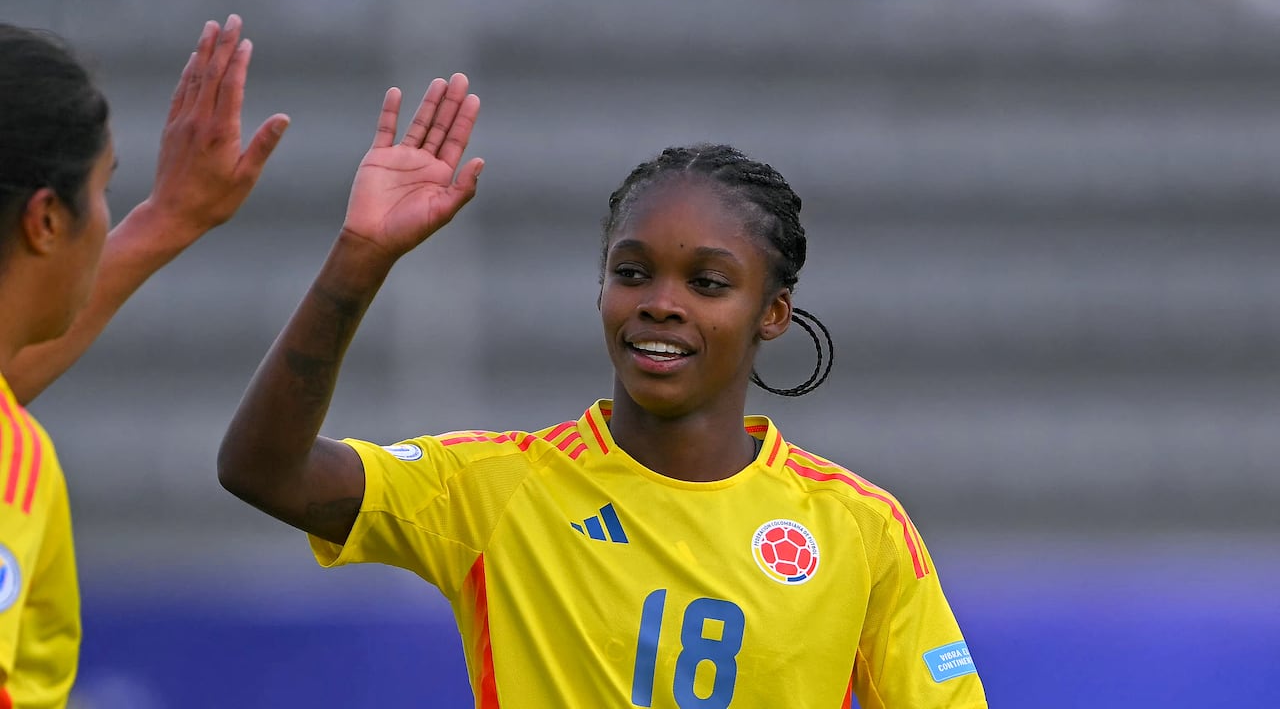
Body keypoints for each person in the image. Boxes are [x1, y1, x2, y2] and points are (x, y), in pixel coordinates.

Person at [218, 77, 988, 708]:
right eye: (631, 272)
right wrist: (360, 259)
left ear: (773, 314)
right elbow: (263, 471)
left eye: (709, 283)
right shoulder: (500, 490)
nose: (660, 301)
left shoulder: (859, 528)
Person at [0, 16, 288, 707]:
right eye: (105, 189)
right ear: (45, 220)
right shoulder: (11, 459)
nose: (108, 219)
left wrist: (170, 218)